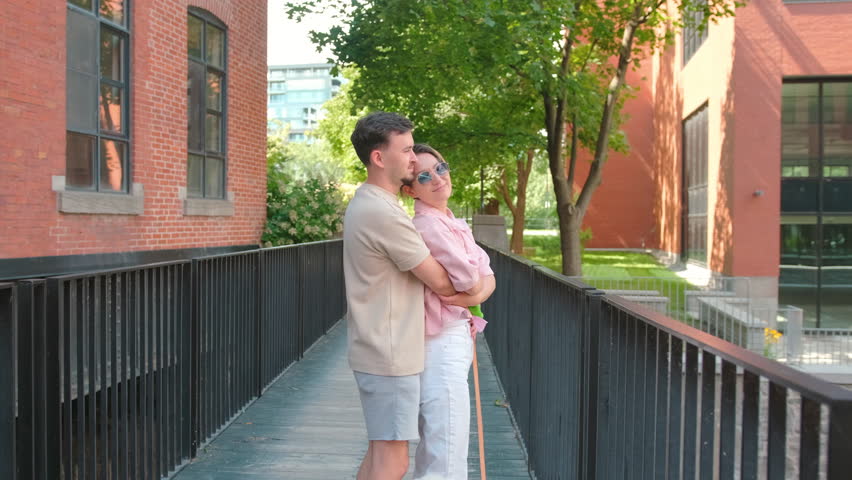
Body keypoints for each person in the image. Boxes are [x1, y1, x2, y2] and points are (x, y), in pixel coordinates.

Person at [344, 112, 458, 480]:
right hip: (390, 354)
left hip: (379, 350)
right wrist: (484, 285)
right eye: (407, 149)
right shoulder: (383, 213)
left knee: (380, 455)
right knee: (393, 462)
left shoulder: (374, 203)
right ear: (379, 158)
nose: (414, 158)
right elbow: (442, 282)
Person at [401, 144, 496, 480]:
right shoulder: (428, 225)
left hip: (454, 332)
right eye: (424, 176)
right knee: (447, 435)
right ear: (411, 189)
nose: (438, 178)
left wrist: (482, 285)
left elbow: (483, 272)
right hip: (440, 340)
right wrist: (481, 284)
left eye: (440, 168)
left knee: (445, 437)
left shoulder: (449, 219)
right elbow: (471, 278)